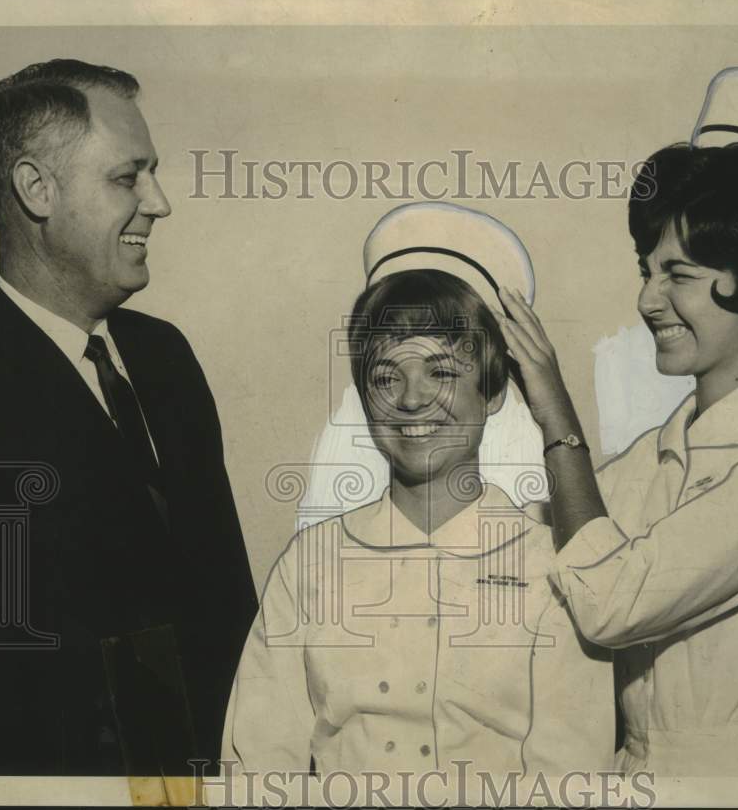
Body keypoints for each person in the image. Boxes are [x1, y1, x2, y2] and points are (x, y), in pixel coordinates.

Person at [495, 67, 738, 776]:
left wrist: (555, 413)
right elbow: (537, 579)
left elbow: (608, 604)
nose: (646, 298)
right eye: (646, 267)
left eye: (678, 275)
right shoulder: (650, 459)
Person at [220, 203, 614, 794]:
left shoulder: (550, 565)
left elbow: (571, 774)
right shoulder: (311, 563)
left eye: (441, 372)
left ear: (494, 392)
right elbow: (256, 770)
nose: (411, 400)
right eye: (386, 376)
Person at [0, 59, 257, 776]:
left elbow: (227, 601)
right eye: (128, 177)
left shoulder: (166, 356)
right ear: (37, 190)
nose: (159, 202)